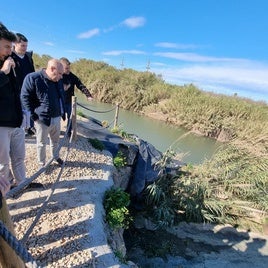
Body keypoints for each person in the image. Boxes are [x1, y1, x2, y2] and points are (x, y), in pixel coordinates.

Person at [21, 58, 66, 169]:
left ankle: (56, 156)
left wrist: (63, 112)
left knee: (55, 141)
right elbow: (25, 97)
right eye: (59, 73)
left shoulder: (58, 80)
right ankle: (42, 164)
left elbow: (61, 96)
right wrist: (33, 115)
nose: (61, 76)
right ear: (51, 69)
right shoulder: (33, 78)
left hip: (56, 117)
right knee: (41, 143)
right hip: (41, 119)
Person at [0, 22, 27, 194]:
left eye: (11, 47)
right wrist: (3, 72)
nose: (10, 51)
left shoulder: (10, 63)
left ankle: (22, 185)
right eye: (6, 47)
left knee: (19, 158)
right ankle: (4, 200)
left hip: (16, 122)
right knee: (2, 164)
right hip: (1, 125)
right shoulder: (4, 68)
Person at [60, 57, 93, 137]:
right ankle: (55, 131)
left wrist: (88, 95)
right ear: (61, 67)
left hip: (70, 100)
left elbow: (81, 85)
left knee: (71, 117)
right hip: (59, 100)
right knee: (56, 117)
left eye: (69, 68)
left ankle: (68, 133)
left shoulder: (73, 77)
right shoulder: (58, 75)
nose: (68, 70)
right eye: (66, 68)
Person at [12, 33, 35, 136]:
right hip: (15, 90)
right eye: (23, 45)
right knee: (19, 110)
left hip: (28, 89)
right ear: (15, 44)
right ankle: (18, 130)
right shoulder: (10, 57)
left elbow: (32, 72)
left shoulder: (28, 57)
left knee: (29, 109)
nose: (25, 48)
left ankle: (29, 128)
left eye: (26, 46)